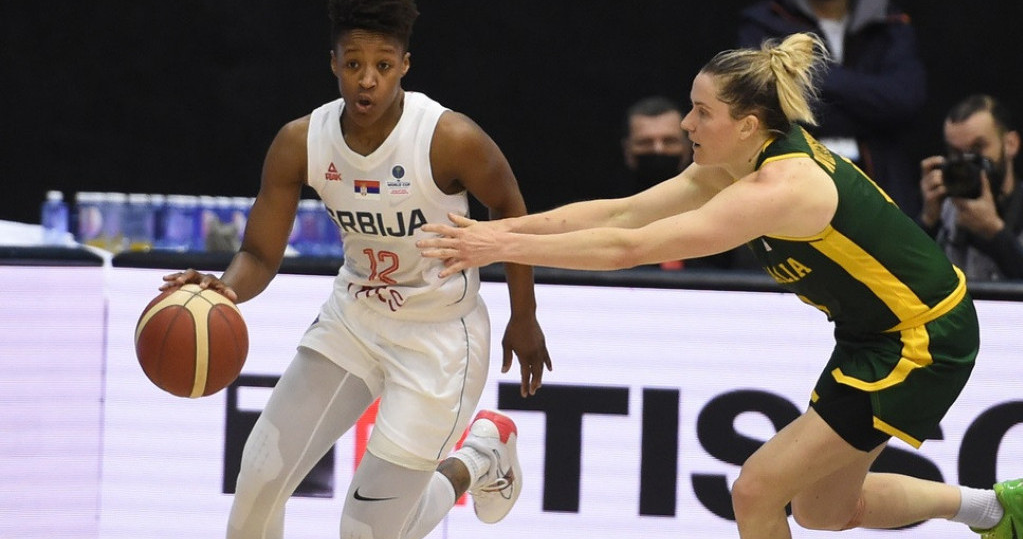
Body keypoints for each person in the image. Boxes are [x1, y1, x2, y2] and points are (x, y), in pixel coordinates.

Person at [419, 32, 1021, 539]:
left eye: (702, 112)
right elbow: (621, 213)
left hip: (923, 337)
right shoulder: (731, 165)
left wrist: (498, 249)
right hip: (874, 334)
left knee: (755, 491)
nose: (687, 122)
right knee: (823, 510)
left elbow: (630, 249)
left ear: (748, 124)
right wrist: (496, 230)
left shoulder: (780, 189)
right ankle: (996, 511)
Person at [160, 0, 550, 539]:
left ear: (405, 66)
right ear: (334, 64)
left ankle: (480, 458)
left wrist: (524, 315)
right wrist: (225, 288)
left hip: (439, 338)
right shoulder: (300, 141)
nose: (368, 80)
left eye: (383, 65)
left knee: (365, 532)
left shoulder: (448, 138)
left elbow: (510, 209)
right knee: (260, 476)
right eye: (353, 64)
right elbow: (260, 254)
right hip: (354, 319)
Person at [738, 0, 927, 218]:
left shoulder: (891, 25)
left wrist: (812, 72)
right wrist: (872, 108)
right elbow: (774, 108)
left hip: (883, 192)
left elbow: (904, 100)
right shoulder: (761, 25)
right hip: (791, 192)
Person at [621, 96, 758, 271]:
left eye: (669, 141)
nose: (658, 150)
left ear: (688, 147)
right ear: (628, 150)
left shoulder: (726, 212)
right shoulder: (614, 214)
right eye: (645, 143)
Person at [919, 94, 1023, 281]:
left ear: (1011, 144)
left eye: (977, 148)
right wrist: (927, 222)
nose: (966, 161)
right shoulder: (945, 210)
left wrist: (995, 232)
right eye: (956, 152)